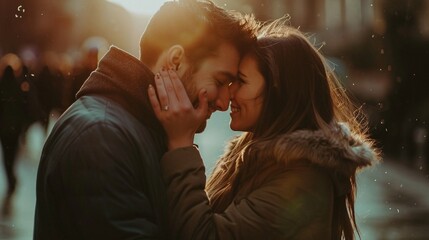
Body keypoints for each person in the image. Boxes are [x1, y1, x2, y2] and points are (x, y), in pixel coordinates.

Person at [34, 0, 256, 239]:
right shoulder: (101, 139)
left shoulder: (133, 129)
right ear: (176, 61)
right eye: (220, 82)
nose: (224, 103)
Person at [148, 19, 381, 240]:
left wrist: (181, 145)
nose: (229, 95)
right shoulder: (254, 155)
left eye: (240, 81)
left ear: (276, 92)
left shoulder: (302, 181)